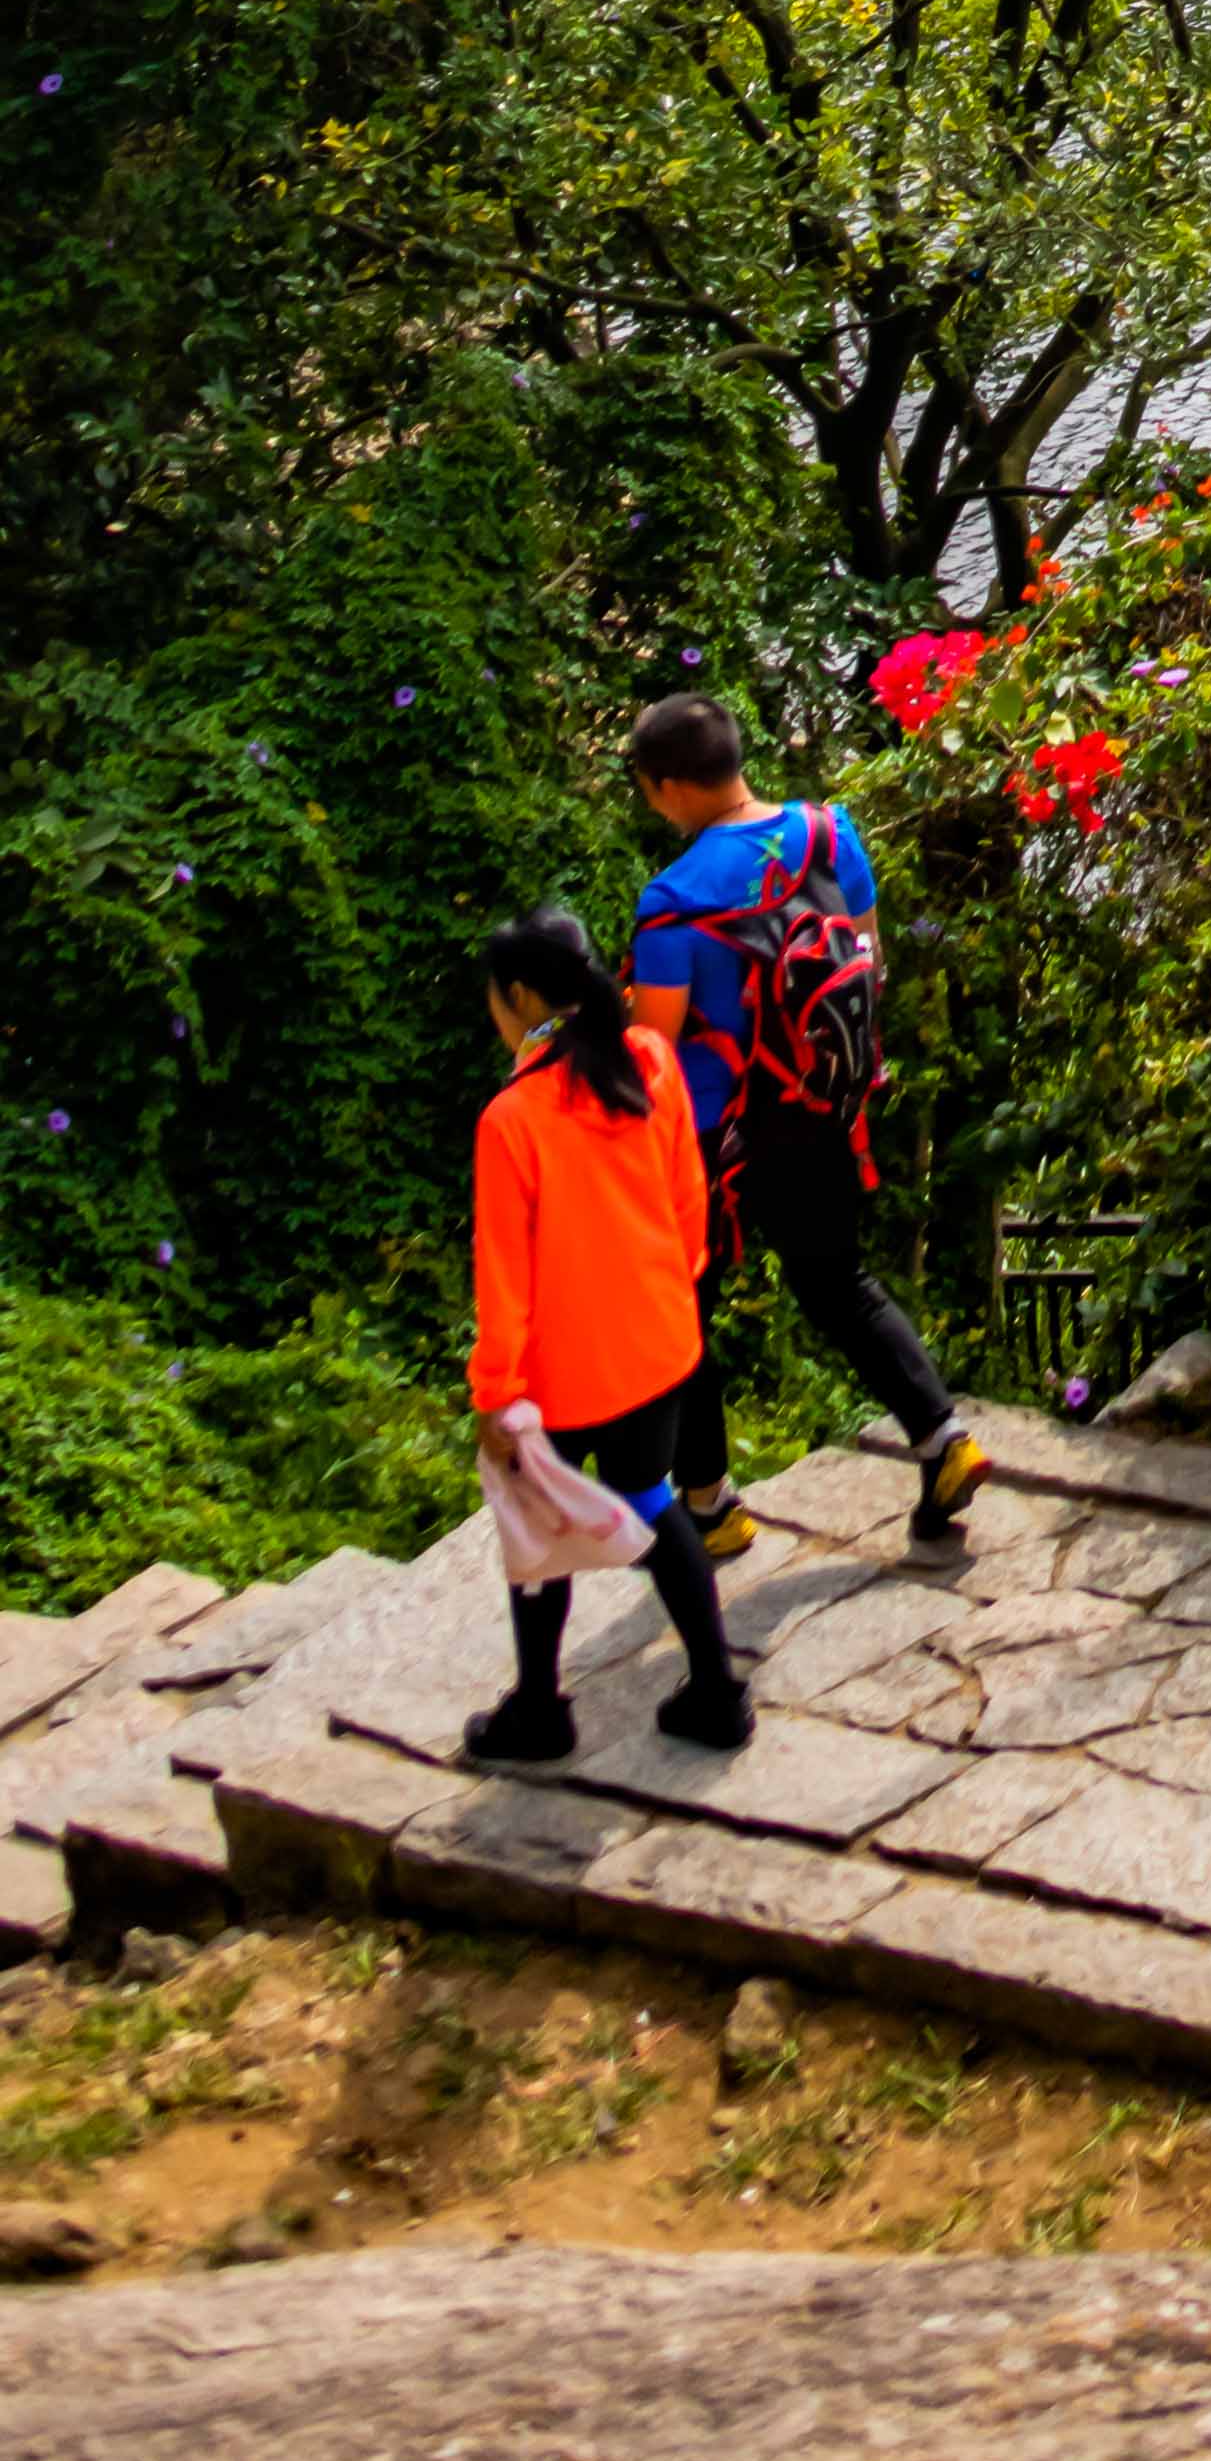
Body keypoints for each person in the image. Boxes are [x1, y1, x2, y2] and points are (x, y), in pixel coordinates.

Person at [622, 681, 988, 1563]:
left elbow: (654, 1046)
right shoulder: (829, 833)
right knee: (839, 1284)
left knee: (684, 1314)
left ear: (668, 785)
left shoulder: (671, 900)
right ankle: (945, 1440)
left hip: (712, 1138)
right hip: (820, 1107)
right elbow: (869, 955)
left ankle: (712, 1507)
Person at [462, 905, 754, 1770]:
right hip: (659, 1342)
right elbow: (685, 1199)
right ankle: (717, 1690)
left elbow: (503, 1276)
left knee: (539, 1524)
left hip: (562, 1368)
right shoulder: (650, 1061)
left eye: (494, 998)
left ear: (518, 996)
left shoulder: (512, 1117)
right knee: (652, 1499)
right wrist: (671, 1284)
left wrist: (495, 1392)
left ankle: (541, 1714)